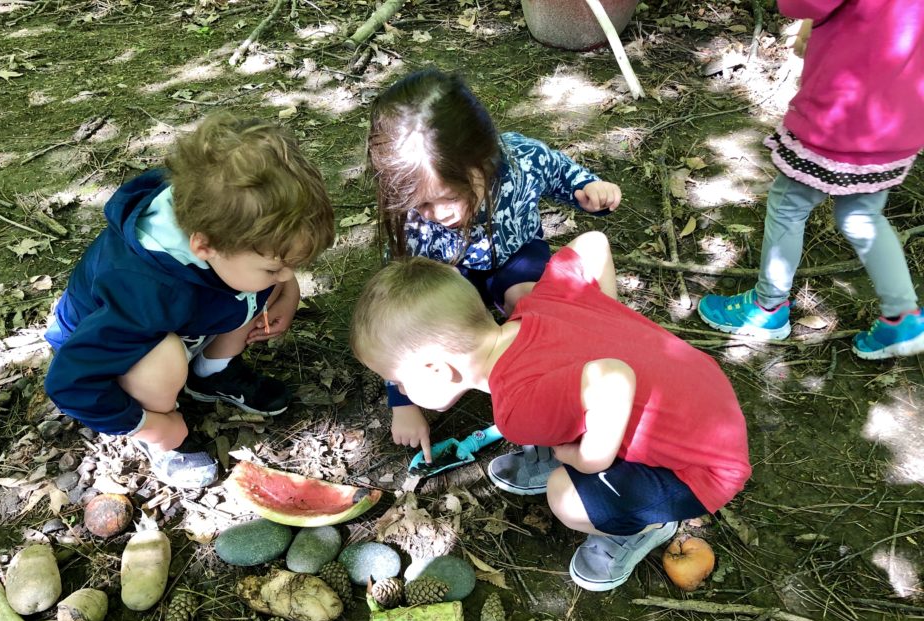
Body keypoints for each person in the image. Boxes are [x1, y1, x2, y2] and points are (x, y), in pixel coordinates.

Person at [350, 231, 751, 591]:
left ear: (436, 369)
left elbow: (612, 378)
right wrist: (604, 321)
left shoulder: (516, 409)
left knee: (565, 495)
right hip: (707, 393)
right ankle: (590, 444)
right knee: (574, 430)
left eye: (399, 381)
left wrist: (590, 459)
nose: (400, 391)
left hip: (701, 469)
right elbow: (593, 244)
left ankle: (640, 528)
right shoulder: (538, 301)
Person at [44, 113, 334, 489]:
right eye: (275, 268)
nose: (284, 274)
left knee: (245, 285)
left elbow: (259, 269)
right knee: (161, 360)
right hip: (114, 352)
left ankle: (211, 374)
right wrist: (151, 426)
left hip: (193, 312)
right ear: (204, 247)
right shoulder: (143, 290)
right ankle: (163, 428)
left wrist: (286, 288)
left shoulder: (225, 227)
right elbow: (69, 382)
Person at [366, 67, 622, 491]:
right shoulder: (410, 220)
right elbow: (399, 316)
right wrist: (402, 401)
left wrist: (587, 188)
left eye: (449, 198)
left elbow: (559, 171)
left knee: (529, 304)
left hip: (516, 258)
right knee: (438, 333)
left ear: (484, 159)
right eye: (420, 204)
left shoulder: (519, 159)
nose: (437, 214)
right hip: (446, 279)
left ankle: (547, 405)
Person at [698, 0, 924, 359]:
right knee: (863, 215)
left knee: (789, 203)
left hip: (840, 114)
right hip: (900, 120)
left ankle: (767, 308)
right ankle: (903, 316)